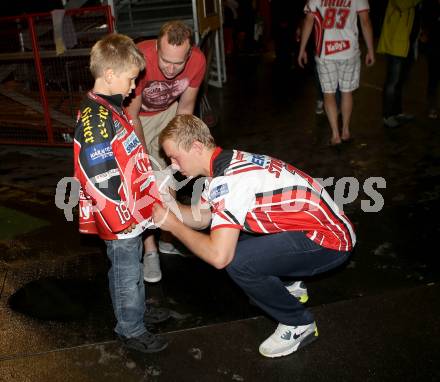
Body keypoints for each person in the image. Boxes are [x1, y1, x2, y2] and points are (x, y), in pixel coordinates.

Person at [152, 114, 356, 358]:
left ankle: (298, 324)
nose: (173, 165)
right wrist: (169, 207)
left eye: (175, 156)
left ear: (196, 147)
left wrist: (172, 225)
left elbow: (219, 257)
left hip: (331, 242)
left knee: (239, 262)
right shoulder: (227, 164)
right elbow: (204, 217)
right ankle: (291, 283)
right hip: (322, 228)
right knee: (230, 233)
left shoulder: (231, 181)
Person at [73, 33, 170, 353]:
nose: (133, 87)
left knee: (132, 263)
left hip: (131, 206)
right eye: (131, 79)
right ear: (110, 75)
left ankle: (137, 310)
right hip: (120, 213)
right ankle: (130, 327)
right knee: (126, 268)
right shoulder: (96, 116)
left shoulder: (109, 108)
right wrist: (120, 217)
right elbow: (97, 172)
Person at [126, 20, 206, 284]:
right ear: (157, 49)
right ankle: (150, 251)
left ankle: (168, 235)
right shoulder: (141, 57)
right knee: (147, 184)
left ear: (189, 53)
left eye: (178, 63)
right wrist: (142, 159)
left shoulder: (197, 61)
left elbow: (186, 108)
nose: (171, 70)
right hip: (139, 118)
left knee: (169, 179)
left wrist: (178, 152)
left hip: (170, 114)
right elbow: (132, 113)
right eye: (165, 61)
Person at [298, 0, 375, 145]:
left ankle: (335, 135)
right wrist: (370, 50)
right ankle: (345, 131)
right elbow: (365, 22)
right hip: (349, 51)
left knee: (329, 93)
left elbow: (308, 21)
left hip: (325, 53)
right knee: (347, 92)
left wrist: (301, 49)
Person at [377, 0, 422, 127]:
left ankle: (397, 112)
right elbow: (402, 4)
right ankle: (387, 115)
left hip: (408, 45)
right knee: (392, 81)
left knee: (401, 81)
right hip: (396, 45)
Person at [420, 0, 440, 119]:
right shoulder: (430, 4)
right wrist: (424, 33)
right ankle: (432, 106)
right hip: (434, 46)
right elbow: (425, 22)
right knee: (433, 77)